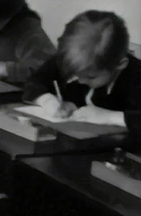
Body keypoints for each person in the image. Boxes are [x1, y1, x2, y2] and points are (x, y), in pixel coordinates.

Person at [22, 11, 140, 148]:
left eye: (91, 77)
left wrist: (109, 117)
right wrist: (49, 101)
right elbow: (34, 82)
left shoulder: (136, 77)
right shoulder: (72, 59)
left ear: (120, 64)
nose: (81, 81)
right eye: (75, 74)